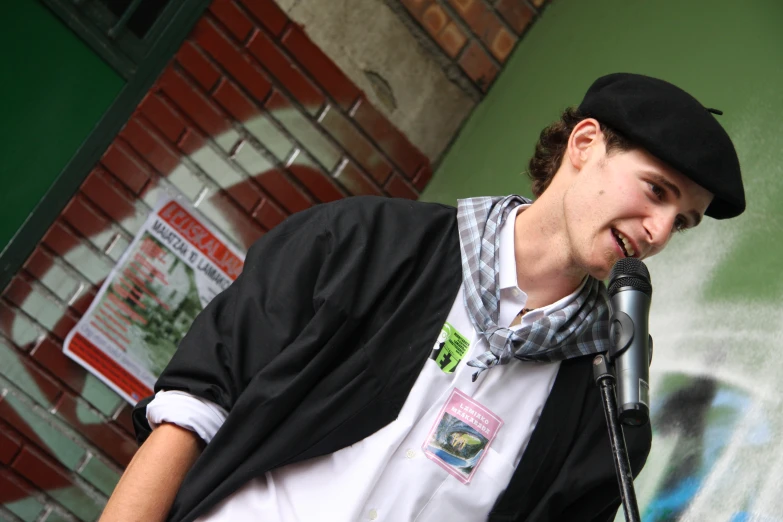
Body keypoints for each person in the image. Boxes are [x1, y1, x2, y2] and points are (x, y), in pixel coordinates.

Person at [100, 73, 745, 522]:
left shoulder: (602, 404)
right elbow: (191, 414)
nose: (659, 232)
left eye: (681, 222)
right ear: (584, 145)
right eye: (657, 191)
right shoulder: (362, 244)